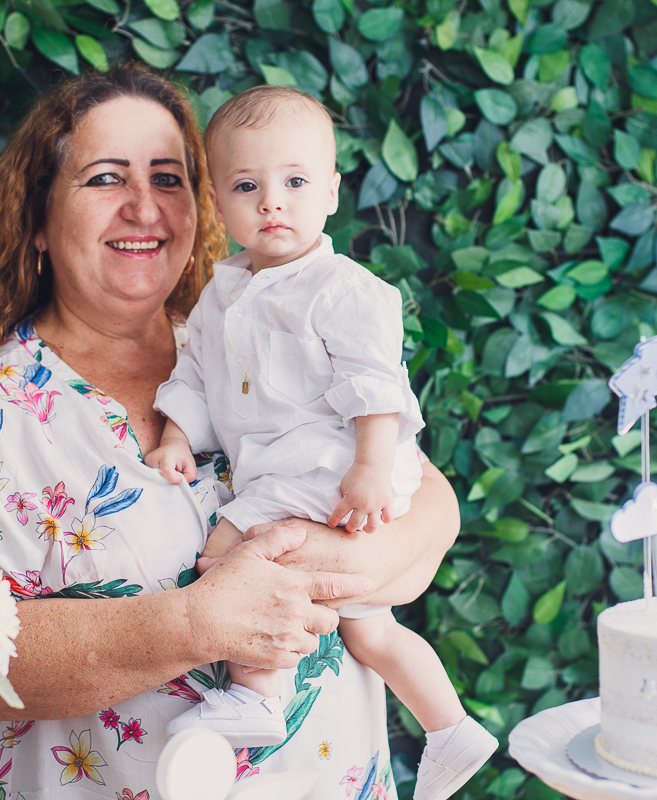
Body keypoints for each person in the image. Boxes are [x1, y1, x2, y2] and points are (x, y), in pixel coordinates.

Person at [0, 63, 460, 800]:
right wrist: (196, 622)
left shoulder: (246, 331)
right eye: (105, 179)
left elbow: (421, 489)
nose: (143, 208)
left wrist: (365, 554)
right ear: (36, 220)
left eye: (168, 179)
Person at [146, 85, 496, 800]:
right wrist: (179, 435)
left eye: (296, 182)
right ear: (218, 203)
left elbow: (375, 387)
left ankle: (261, 696)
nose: (273, 202)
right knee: (368, 634)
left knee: (231, 547)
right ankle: (452, 727)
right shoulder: (220, 295)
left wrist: (370, 468)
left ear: (332, 193)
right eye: (248, 186)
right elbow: (196, 374)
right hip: (293, 470)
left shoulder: (343, 289)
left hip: (333, 467)